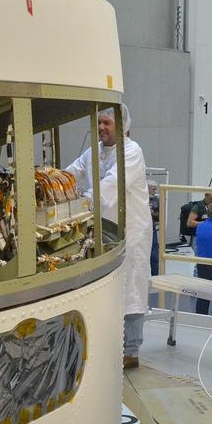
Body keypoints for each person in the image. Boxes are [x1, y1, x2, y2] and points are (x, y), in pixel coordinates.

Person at [66, 105, 152, 369]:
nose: (101, 128)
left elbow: (111, 185)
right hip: (105, 230)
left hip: (131, 231)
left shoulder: (131, 152)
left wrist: (82, 201)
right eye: (99, 123)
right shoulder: (96, 152)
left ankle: (131, 351)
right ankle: (109, 344)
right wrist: (53, 182)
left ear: (122, 125)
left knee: (133, 287)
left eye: (107, 123)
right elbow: (73, 172)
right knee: (109, 287)